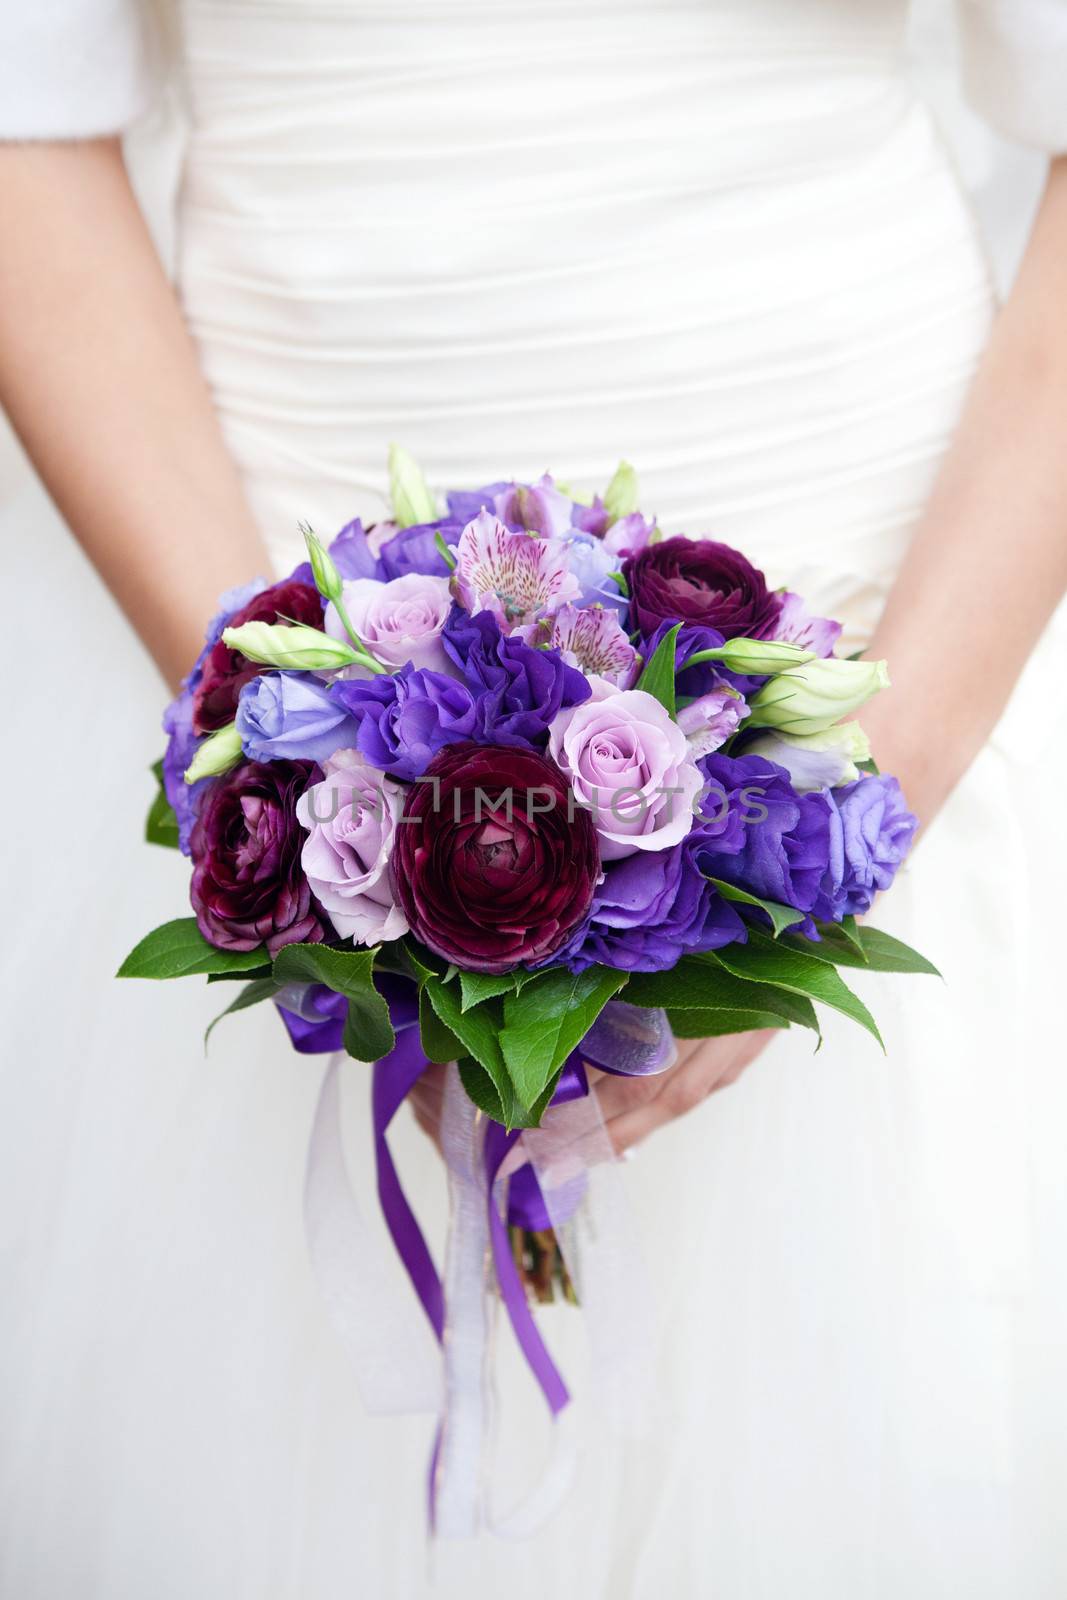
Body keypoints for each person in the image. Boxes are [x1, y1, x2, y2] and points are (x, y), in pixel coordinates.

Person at [2, 2, 1066, 1594]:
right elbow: (24, 124)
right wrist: (308, 787)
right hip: (268, 630)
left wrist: (839, 824)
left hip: (895, 642)